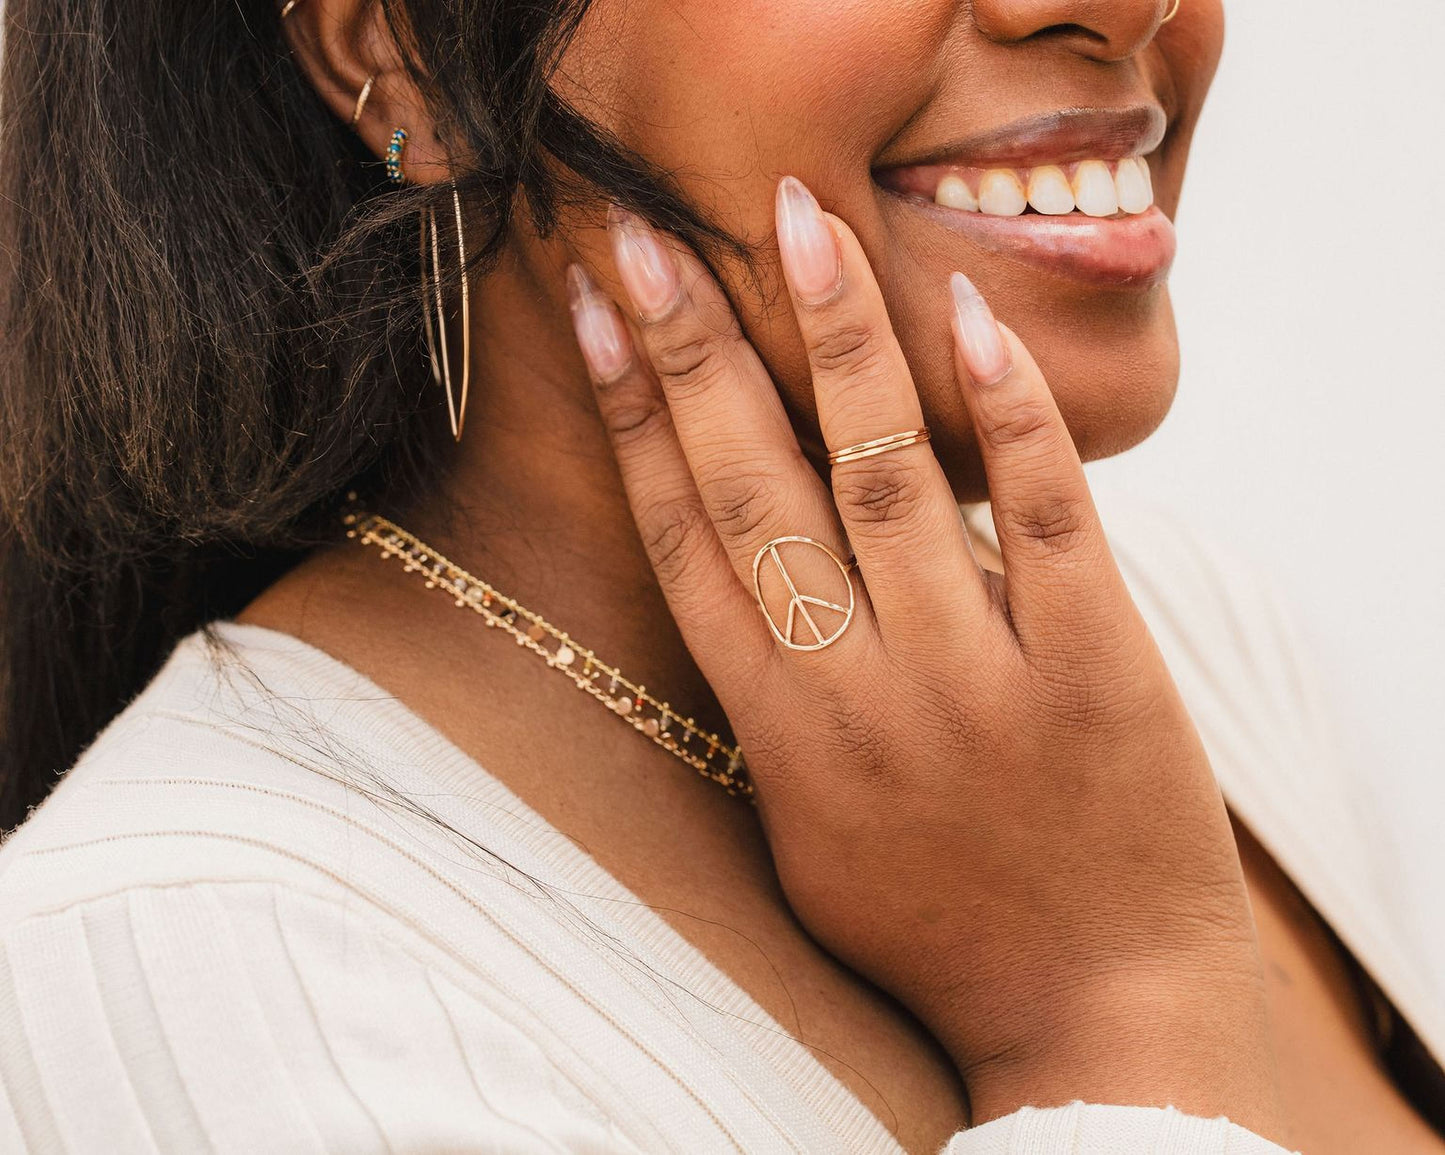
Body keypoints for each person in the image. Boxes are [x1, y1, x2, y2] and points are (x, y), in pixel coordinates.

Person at [0, 0, 1439, 1151]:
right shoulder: (202, 976)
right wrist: (1113, 1014)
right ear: (407, 59)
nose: (1126, 10)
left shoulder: (1174, 641)